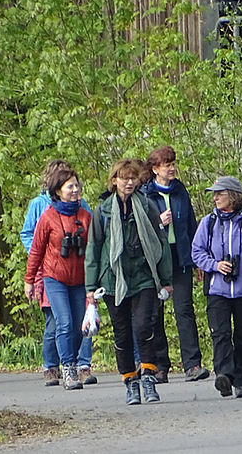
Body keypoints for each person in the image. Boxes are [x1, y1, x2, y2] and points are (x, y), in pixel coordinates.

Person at [86, 158, 173, 405]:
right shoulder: (102, 212)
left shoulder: (147, 207)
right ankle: (130, 381)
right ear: (115, 181)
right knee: (122, 333)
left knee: (144, 326)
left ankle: (148, 376)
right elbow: (93, 250)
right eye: (125, 178)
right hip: (113, 281)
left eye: (133, 178)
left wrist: (166, 280)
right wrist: (90, 287)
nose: (130, 182)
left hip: (144, 277)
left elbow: (161, 244)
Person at [191, 176, 242, 399]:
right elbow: (197, 252)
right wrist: (215, 265)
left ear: (233, 196)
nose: (215, 198)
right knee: (221, 334)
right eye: (214, 194)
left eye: (220, 193)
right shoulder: (208, 223)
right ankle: (223, 376)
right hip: (217, 289)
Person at [21, 160, 96, 387]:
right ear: (57, 191)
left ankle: (71, 362)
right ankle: (68, 370)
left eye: (76, 186)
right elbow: (36, 250)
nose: (75, 190)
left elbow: (94, 248)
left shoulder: (85, 215)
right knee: (63, 322)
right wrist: (29, 280)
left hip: (80, 278)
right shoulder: (47, 217)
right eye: (69, 187)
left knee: (77, 326)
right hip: (54, 277)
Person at [141, 145, 210, 383]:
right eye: (167, 165)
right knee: (155, 312)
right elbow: (140, 231)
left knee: (184, 310)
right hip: (158, 260)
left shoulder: (181, 192)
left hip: (181, 256)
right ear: (155, 169)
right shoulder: (145, 195)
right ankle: (160, 366)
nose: (172, 168)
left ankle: (192, 365)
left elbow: (192, 226)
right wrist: (158, 222)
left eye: (173, 164)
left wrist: (197, 258)